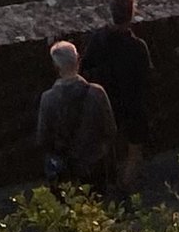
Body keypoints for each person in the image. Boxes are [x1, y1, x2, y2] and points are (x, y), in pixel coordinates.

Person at [80, 0, 155, 191]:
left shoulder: (99, 39)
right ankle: (126, 186)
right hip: (132, 105)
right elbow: (147, 77)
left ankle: (112, 183)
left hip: (107, 102)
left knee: (109, 146)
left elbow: (85, 67)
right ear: (132, 14)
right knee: (134, 149)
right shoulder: (138, 47)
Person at [35, 39, 117, 192]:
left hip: (65, 168)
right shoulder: (97, 93)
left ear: (56, 66)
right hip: (94, 165)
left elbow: (43, 138)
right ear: (78, 60)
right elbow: (110, 130)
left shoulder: (48, 99)